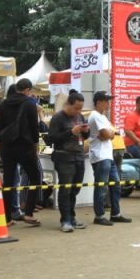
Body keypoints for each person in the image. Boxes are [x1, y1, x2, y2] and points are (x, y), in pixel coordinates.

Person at [0, 78, 42, 227]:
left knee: (8, 182)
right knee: (35, 177)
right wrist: (35, 147)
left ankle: (7, 218)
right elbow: (34, 128)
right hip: (25, 147)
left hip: (7, 148)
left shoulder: (2, 105)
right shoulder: (30, 104)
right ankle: (28, 213)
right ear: (27, 90)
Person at [87, 91, 131, 226]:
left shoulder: (102, 117)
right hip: (100, 156)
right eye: (106, 101)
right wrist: (110, 134)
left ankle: (115, 213)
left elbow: (110, 134)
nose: (108, 103)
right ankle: (99, 215)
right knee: (102, 187)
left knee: (115, 185)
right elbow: (108, 134)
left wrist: (109, 134)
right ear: (98, 102)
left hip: (107, 155)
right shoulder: (95, 116)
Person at [49, 91, 89, 232]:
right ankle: (65, 220)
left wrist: (86, 131)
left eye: (80, 108)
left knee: (75, 189)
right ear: (68, 104)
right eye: (76, 108)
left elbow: (84, 137)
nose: (78, 111)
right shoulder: (58, 118)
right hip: (64, 158)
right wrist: (70, 132)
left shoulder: (80, 117)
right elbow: (52, 138)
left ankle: (72, 218)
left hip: (79, 156)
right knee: (65, 189)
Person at [123, 96, 140, 163]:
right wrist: (139, 142)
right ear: (137, 105)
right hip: (133, 144)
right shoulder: (131, 116)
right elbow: (127, 131)